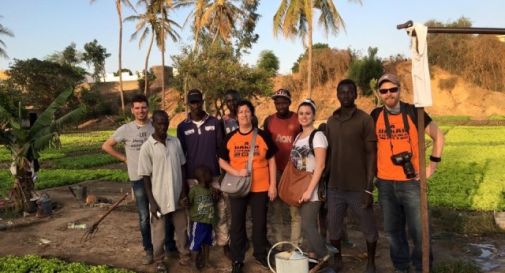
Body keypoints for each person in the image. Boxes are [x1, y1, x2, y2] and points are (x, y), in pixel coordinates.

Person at [371, 73, 444, 273]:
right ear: (379, 93)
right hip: (385, 183)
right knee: (393, 232)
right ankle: (401, 267)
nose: (388, 94)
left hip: (412, 182)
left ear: (399, 89)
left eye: (392, 89)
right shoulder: (376, 115)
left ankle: (422, 266)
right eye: (384, 91)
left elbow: (439, 137)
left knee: (419, 231)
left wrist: (431, 167)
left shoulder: (414, 112)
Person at [101, 95, 176, 265]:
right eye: (137, 108)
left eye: (143, 107)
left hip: (158, 179)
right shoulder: (125, 129)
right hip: (138, 178)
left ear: (148, 108)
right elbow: (106, 146)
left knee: (165, 212)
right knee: (144, 216)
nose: (140, 111)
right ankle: (149, 250)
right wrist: (124, 158)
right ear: (132, 110)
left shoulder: (154, 125)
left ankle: (169, 246)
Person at [325, 79, 379, 273]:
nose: (345, 96)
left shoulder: (365, 120)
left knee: (369, 227)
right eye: (342, 92)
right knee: (334, 227)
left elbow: (372, 153)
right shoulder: (331, 121)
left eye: (349, 92)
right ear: (337, 95)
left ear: (356, 94)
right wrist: (325, 183)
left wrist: (368, 186)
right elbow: (329, 154)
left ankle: (371, 262)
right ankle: (337, 259)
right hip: (335, 187)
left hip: (358, 187)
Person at [218, 100, 278, 273]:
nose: (244, 114)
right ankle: (237, 259)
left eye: (247, 111)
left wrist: (273, 185)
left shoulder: (263, 135)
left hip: (260, 187)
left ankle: (260, 253)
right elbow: (221, 160)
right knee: (237, 224)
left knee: (259, 223)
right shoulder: (230, 138)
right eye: (240, 112)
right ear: (236, 116)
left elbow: (272, 160)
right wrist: (236, 172)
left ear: (252, 114)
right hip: (238, 188)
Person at [176, 89, 229, 257]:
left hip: (213, 177)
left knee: (220, 211)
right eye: (192, 102)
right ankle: (197, 246)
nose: (196, 105)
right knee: (197, 214)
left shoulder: (215, 122)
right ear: (188, 104)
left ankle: (223, 242)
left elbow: (222, 150)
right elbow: (181, 156)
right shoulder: (182, 126)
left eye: (198, 101)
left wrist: (222, 177)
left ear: (202, 101)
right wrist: (184, 183)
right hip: (193, 180)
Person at [138, 110, 191, 271]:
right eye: (159, 123)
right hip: (159, 198)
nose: (163, 126)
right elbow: (146, 178)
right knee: (158, 233)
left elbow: (182, 166)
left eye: (165, 122)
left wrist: (183, 192)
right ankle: (159, 259)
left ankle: (185, 256)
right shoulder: (147, 147)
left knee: (182, 229)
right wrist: (152, 202)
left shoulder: (175, 142)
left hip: (177, 195)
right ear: (153, 123)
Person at [289, 99, 329, 264]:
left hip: (312, 190)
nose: (304, 116)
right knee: (306, 224)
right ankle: (314, 257)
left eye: (308, 113)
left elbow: (320, 166)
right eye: (301, 113)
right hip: (300, 187)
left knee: (308, 225)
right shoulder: (299, 136)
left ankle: (326, 257)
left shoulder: (318, 136)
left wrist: (309, 191)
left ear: (314, 116)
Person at [263, 88, 302, 248]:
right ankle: (278, 246)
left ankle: (296, 246)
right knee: (276, 211)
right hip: (275, 171)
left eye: (284, 101)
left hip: (294, 171)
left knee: (295, 212)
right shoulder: (269, 121)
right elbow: (265, 146)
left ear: (289, 102)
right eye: (277, 102)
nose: (280, 105)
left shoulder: (297, 119)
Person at [188, 165, 217, 270]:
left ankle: (206, 261)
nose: (211, 176)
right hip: (198, 222)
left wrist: (216, 196)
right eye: (209, 174)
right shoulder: (194, 190)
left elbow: (213, 202)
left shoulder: (210, 189)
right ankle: (193, 263)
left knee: (207, 243)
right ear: (204, 177)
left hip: (208, 222)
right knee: (196, 243)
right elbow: (189, 203)